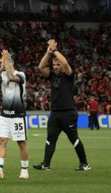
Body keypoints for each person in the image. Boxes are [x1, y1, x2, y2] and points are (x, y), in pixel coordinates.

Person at [33, 39, 91, 171]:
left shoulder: (69, 75)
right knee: (50, 139)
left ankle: (84, 163)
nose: (56, 67)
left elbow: (65, 63)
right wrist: (48, 53)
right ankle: (46, 164)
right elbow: (41, 67)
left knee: (74, 139)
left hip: (68, 112)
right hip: (55, 113)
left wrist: (55, 50)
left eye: (58, 64)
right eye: (54, 65)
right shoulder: (52, 76)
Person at [0, 50, 30, 180]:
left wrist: (7, 61)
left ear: (11, 62)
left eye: (3, 60)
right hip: (4, 115)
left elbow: (12, 77)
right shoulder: (3, 74)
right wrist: (1, 68)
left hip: (18, 115)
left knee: (21, 143)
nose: (1, 62)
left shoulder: (20, 74)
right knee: (1, 141)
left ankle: (24, 170)